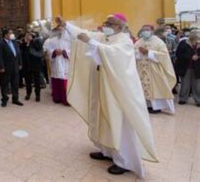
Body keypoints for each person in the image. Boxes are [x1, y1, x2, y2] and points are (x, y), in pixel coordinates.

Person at [56, 14, 157, 178]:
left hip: (117, 92)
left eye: (109, 23)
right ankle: (107, 150)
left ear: (119, 26)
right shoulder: (105, 36)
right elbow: (83, 33)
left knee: (118, 122)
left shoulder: (124, 40)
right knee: (103, 118)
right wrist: (66, 25)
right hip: (103, 88)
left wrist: (91, 42)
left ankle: (124, 161)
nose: (105, 25)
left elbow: (114, 54)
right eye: (105, 22)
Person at [134, 25, 176, 114]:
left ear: (152, 31)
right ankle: (147, 106)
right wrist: (138, 52)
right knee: (142, 88)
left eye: (147, 30)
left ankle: (157, 107)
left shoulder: (158, 42)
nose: (145, 31)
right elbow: (132, 53)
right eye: (143, 30)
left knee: (157, 88)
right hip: (142, 70)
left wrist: (148, 52)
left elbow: (164, 55)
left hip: (155, 70)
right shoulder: (138, 42)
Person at [43, 25, 71, 105]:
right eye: (58, 30)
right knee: (56, 79)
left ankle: (66, 99)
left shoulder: (69, 39)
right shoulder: (52, 40)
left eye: (61, 29)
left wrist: (64, 52)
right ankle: (57, 98)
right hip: (56, 62)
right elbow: (48, 49)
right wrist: (54, 51)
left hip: (65, 62)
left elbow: (73, 50)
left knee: (65, 80)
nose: (59, 31)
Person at [0, 28, 23, 107]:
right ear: (6, 35)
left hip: (15, 67)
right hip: (6, 67)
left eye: (12, 33)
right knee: (4, 84)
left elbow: (18, 53)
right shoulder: (0, 43)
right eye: (10, 33)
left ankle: (15, 99)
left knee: (15, 84)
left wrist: (20, 63)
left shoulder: (14, 42)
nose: (12, 34)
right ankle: (4, 99)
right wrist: (1, 67)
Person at [175, 31, 200, 106]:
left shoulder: (199, 44)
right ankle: (183, 99)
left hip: (197, 67)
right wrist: (190, 57)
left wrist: (198, 57)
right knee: (185, 84)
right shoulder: (183, 43)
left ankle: (198, 100)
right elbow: (178, 54)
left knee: (197, 85)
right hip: (185, 67)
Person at [25, 33, 45, 102]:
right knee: (28, 81)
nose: (27, 37)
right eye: (26, 36)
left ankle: (37, 95)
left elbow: (39, 49)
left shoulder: (36, 42)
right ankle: (28, 93)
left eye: (29, 36)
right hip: (27, 65)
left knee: (37, 81)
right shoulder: (24, 44)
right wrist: (26, 43)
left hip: (36, 65)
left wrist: (31, 41)